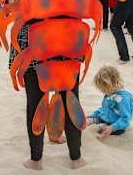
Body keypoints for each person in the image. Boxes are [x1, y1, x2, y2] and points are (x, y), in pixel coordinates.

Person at [9, 24, 86, 170]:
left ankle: (36, 159)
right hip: (67, 31)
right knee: (69, 97)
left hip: (33, 31)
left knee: (35, 101)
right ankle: (76, 157)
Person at [86, 66, 133, 138]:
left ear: (114, 84)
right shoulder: (109, 93)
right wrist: (93, 115)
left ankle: (103, 125)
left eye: (104, 89)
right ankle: (99, 122)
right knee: (92, 121)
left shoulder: (123, 100)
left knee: (105, 130)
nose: (102, 91)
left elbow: (125, 119)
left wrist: (112, 127)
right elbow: (105, 107)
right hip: (106, 117)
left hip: (117, 124)